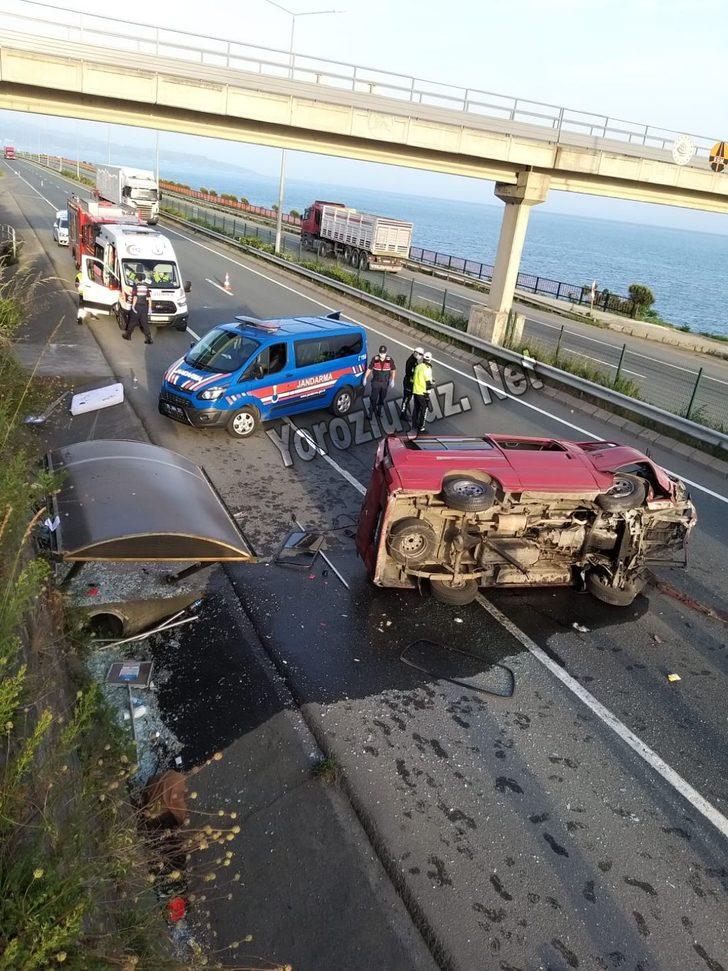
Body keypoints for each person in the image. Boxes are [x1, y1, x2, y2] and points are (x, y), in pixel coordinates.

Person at [364, 344, 396, 419]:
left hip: (385, 383)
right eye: (381, 353)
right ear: (379, 352)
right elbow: (369, 368)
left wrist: (392, 380)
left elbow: (393, 370)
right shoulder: (375, 359)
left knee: (382, 398)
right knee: (373, 398)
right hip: (376, 382)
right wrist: (365, 378)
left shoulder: (389, 360)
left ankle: (379, 411)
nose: (382, 355)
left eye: (383, 353)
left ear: (386, 352)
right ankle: (370, 413)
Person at [124, 273, 153, 344]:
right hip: (145, 307)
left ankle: (128, 335)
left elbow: (135, 297)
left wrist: (133, 306)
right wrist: (149, 307)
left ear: (137, 279)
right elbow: (149, 298)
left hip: (137, 306)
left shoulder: (136, 286)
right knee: (144, 323)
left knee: (132, 321)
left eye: (136, 278)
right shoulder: (146, 286)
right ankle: (149, 339)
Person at [411, 351, 434, 434]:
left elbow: (415, 378)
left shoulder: (418, 366)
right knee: (424, 408)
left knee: (416, 408)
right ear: (430, 360)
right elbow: (428, 382)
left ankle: (414, 425)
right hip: (422, 392)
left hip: (415, 390)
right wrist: (428, 393)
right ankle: (421, 427)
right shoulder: (427, 368)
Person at [400, 345, 423, 419]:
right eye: (420, 354)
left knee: (408, 398)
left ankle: (404, 412)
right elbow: (411, 373)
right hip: (408, 383)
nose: (421, 356)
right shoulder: (411, 362)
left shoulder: (414, 360)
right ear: (416, 353)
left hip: (410, 382)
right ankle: (403, 414)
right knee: (406, 399)